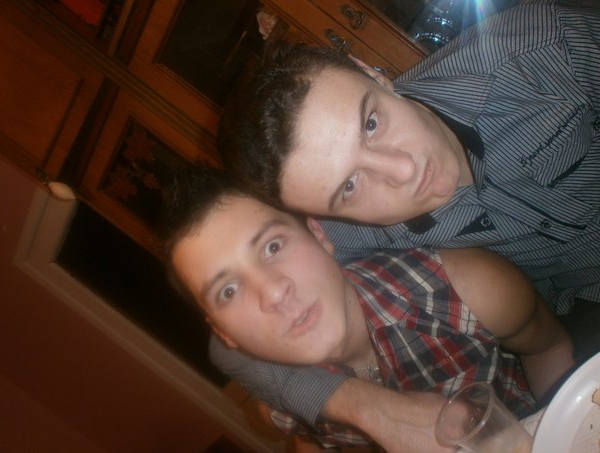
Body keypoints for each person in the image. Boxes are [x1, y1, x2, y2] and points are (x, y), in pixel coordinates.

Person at [212, 0, 600, 447]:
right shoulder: (346, 235)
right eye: (350, 186)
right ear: (322, 221)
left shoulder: (540, 50)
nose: (403, 170)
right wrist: (366, 408)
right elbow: (227, 347)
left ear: (373, 73)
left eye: (371, 123)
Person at [160, 166, 574, 451]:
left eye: (272, 246)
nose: (272, 293)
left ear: (319, 235)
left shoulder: (467, 290)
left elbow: (548, 346)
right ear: (224, 333)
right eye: (229, 291)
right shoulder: (280, 403)